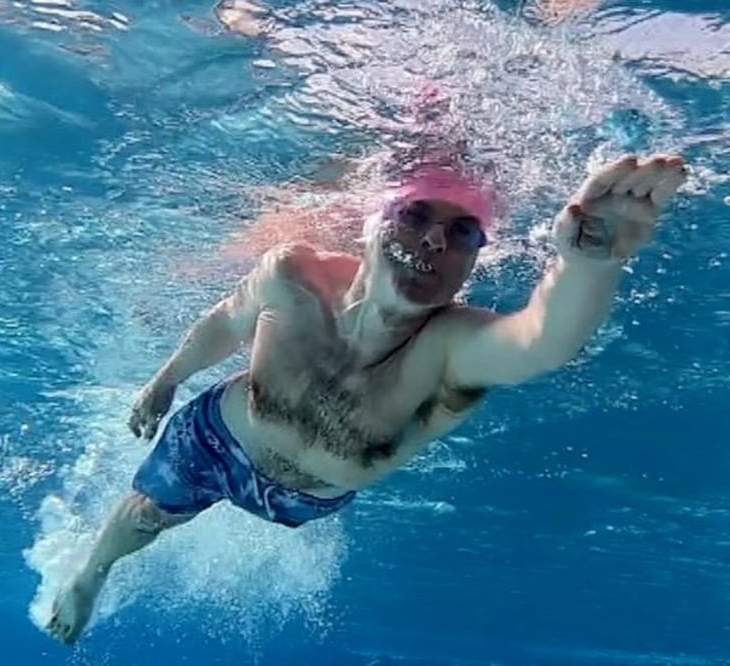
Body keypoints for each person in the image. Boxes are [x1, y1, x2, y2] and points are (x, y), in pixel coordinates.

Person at [44, 148, 689, 644]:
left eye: (465, 233)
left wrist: (589, 263)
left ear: (473, 261)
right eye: (416, 215)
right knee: (143, 518)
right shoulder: (294, 277)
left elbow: (544, 342)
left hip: (303, 500)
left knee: (169, 512)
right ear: (373, 222)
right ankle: (88, 575)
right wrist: (166, 379)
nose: (436, 240)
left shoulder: (451, 348)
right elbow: (226, 322)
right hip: (216, 441)